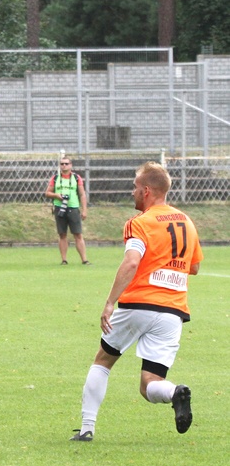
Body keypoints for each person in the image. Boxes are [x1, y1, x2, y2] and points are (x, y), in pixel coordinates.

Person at [70, 161, 202, 442]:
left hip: (138, 304)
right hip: (173, 311)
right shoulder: (187, 222)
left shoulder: (139, 223)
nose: (132, 192)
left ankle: (87, 429)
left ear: (146, 190)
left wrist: (109, 302)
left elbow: (132, 261)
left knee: (103, 360)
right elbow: (194, 267)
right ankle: (175, 392)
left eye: (134, 187)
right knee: (149, 384)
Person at [45, 156, 90, 265]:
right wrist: (57, 195)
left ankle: (84, 259)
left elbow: (82, 194)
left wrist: (84, 209)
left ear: (71, 165)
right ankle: (64, 259)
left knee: (78, 234)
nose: (64, 166)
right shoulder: (55, 178)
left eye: (66, 164)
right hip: (59, 208)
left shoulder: (76, 178)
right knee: (62, 234)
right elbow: (47, 193)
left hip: (73, 208)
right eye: (62, 164)